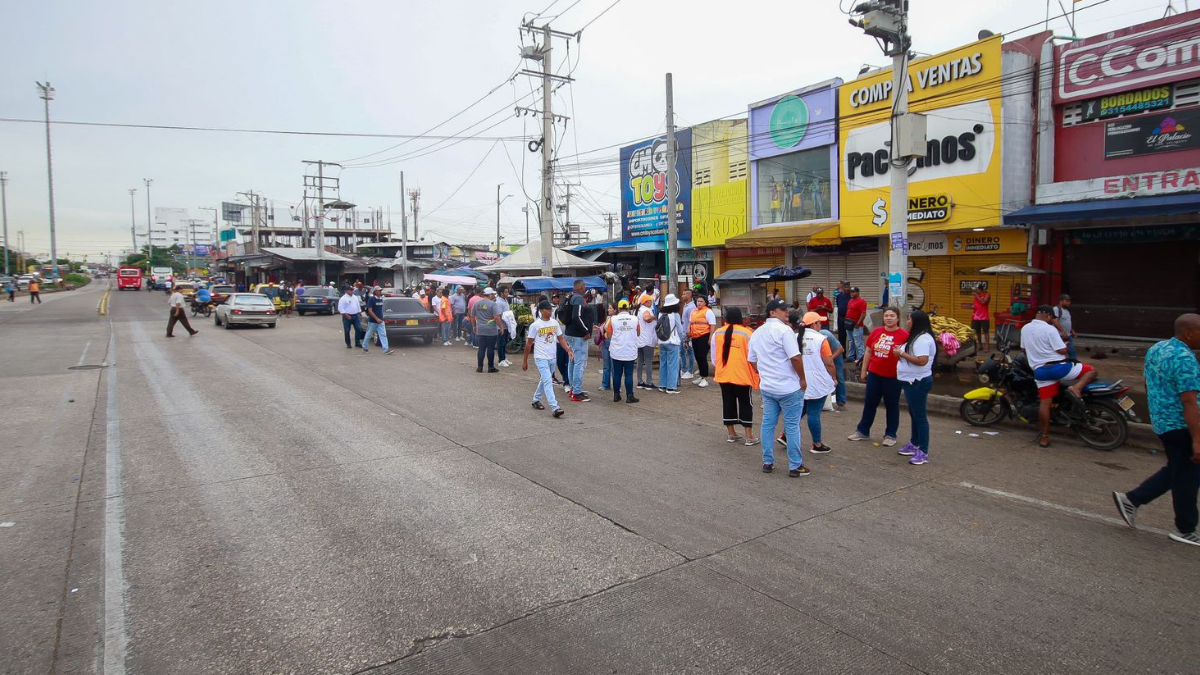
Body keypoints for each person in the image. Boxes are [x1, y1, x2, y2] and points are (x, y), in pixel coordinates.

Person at [1113, 313, 1200, 547]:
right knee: (1187, 475)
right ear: (1189, 333)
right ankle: (1186, 528)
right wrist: (1197, 438)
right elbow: (1189, 401)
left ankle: (1132, 499)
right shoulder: (1184, 358)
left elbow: (1149, 381)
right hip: (1181, 424)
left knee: (1179, 469)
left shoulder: (1158, 348)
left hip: (1162, 421)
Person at [1020, 305, 1098, 448]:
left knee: (1045, 404)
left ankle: (1044, 437)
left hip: (1041, 371)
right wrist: (1065, 344)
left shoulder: (1025, 328)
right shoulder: (1050, 329)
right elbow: (1062, 351)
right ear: (1049, 316)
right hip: (1059, 368)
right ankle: (1076, 389)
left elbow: (1024, 349)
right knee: (1092, 371)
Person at [748, 299, 808, 477]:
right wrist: (803, 378)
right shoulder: (785, 330)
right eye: (782, 309)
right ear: (772, 312)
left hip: (768, 386)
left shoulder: (757, 332)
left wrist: (763, 373)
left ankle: (768, 462)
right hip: (789, 387)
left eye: (786, 309)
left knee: (768, 424)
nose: (786, 312)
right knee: (791, 426)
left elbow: (751, 359)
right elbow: (795, 358)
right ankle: (795, 465)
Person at [848, 306, 908, 446]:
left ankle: (890, 435)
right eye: (886, 315)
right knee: (870, 403)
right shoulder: (876, 332)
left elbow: (907, 356)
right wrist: (864, 371)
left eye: (892, 316)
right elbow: (868, 352)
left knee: (892, 406)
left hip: (893, 377)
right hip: (874, 374)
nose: (888, 318)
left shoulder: (904, 335)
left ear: (898, 318)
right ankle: (862, 431)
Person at [894, 309, 937, 465]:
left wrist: (902, 354)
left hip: (917, 382)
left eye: (909, 319)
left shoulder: (923, 340)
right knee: (914, 414)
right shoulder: (916, 337)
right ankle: (914, 443)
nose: (907, 322)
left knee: (920, 417)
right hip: (909, 381)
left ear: (916, 321)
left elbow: (922, 360)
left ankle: (923, 451)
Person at [714, 307, 760, 445]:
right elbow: (754, 356)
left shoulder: (718, 332)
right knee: (746, 404)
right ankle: (749, 436)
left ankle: (731, 433)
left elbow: (714, 355)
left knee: (728, 402)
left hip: (723, 374)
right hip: (742, 375)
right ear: (741, 317)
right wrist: (758, 371)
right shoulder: (747, 333)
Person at [523, 300, 572, 419]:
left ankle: (536, 399)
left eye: (551, 309)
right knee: (548, 381)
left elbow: (560, 339)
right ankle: (555, 407)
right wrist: (525, 361)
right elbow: (529, 344)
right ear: (541, 310)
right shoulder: (535, 325)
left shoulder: (554, 323)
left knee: (545, 379)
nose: (550, 311)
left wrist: (568, 350)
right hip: (540, 357)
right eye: (548, 309)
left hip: (552, 357)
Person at [563, 279, 594, 402]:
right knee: (579, 363)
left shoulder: (569, 297)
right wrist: (586, 331)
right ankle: (577, 392)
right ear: (581, 287)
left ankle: (573, 389)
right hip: (578, 336)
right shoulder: (579, 299)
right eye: (584, 286)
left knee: (572, 361)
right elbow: (576, 316)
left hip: (569, 334)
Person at [605, 299, 640, 403]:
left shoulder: (613, 319)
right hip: (630, 350)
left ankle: (616, 395)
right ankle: (630, 396)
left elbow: (609, 334)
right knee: (628, 374)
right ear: (628, 308)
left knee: (617, 374)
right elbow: (638, 333)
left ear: (619, 309)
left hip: (617, 350)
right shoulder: (635, 319)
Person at [689, 295, 717, 388]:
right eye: (698, 301)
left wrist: (710, 337)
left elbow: (712, 325)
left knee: (702, 356)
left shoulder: (708, 311)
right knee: (697, 357)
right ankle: (701, 376)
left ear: (705, 303)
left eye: (701, 301)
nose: (699, 303)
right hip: (694, 336)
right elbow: (691, 323)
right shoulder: (694, 311)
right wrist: (688, 331)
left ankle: (705, 378)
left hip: (704, 336)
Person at [472, 287, 501, 373]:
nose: (494, 296)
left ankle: (480, 367)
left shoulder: (476, 303)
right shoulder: (493, 304)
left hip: (480, 329)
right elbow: (496, 317)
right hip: (491, 330)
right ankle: (490, 367)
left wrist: (474, 326)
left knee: (481, 348)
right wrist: (501, 327)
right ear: (490, 294)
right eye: (493, 294)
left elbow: (472, 316)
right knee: (490, 348)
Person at [657, 294, 683, 394]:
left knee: (663, 364)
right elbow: (680, 329)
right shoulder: (675, 314)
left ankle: (662, 385)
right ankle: (671, 387)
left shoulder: (660, 313)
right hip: (673, 341)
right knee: (672, 364)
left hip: (662, 341)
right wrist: (680, 339)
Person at [361, 287, 395, 355]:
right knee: (369, 334)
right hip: (373, 321)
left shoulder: (381, 299)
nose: (380, 291)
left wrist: (381, 318)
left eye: (380, 290)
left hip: (380, 320)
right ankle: (365, 346)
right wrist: (376, 319)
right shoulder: (372, 299)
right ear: (375, 292)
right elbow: (370, 311)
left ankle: (385, 349)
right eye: (379, 290)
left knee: (383, 335)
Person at [635, 293, 658, 391]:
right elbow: (647, 318)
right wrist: (654, 317)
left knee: (640, 361)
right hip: (647, 340)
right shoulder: (646, 310)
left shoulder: (638, 310)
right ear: (646, 302)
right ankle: (649, 382)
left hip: (639, 340)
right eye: (650, 301)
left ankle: (640, 381)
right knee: (648, 362)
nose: (652, 302)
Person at [845, 286, 868, 365]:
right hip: (849, 324)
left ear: (858, 292)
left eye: (854, 292)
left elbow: (863, 313)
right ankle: (851, 356)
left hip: (857, 325)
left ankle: (860, 358)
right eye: (851, 292)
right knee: (851, 341)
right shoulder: (850, 300)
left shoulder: (861, 301)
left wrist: (858, 323)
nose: (852, 293)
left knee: (858, 343)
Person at [1051, 293, 1077, 361]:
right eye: (1067, 301)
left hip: (1067, 335)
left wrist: (1072, 331)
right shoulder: (1056, 309)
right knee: (1062, 352)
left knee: (1071, 351)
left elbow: (1067, 322)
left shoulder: (1067, 311)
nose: (1069, 303)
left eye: (1069, 301)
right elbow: (1055, 321)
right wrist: (1062, 331)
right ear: (1061, 301)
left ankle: (1074, 364)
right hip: (1059, 336)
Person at [598, 303, 615, 392]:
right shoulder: (608, 318)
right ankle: (605, 384)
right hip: (605, 341)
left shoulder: (616, 319)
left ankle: (616, 385)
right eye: (608, 308)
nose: (608, 310)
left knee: (613, 366)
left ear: (615, 310)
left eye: (610, 308)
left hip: (612, 342)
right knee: (606, 364)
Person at [495, 287, 514, 367]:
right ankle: (501, 360)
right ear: (501, 293)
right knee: (501, 343)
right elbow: (498, 315)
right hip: (501, 326)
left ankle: (504, 357)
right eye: (506, 292)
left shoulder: (505, 300)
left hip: (506, 325)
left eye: (507, 292)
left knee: (505, 342)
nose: (507, 294)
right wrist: (501, 327)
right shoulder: (498, 302)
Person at [680, 290, 696, 380]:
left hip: (687, 333)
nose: (682, 296)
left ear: (689, 295)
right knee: (682, 351)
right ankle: (684, 369)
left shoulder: (691, 307)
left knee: (689, 352)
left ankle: (690, 371)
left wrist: (688, 334)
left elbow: (692, 322)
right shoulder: (686, 306)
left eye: (684, 294)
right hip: (683, 331)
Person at [971, 284, 991, 352]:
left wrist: (976, 295)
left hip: (984, 317)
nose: (976, 291)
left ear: (980, 289)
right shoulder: (976, 297)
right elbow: (976, 305)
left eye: (977, 289)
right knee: (977, 332)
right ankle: (980, 345)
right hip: (976, 317)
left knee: (986, 331)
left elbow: (983, 302)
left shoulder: (987, 295)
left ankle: (987, 346)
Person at [835, 280, 852, 350]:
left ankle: (853, 355)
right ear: (842, 287)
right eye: (845, 287)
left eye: (848, 287)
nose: (847, 288)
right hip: (841, 318)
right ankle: (843, 353)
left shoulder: (852, 296)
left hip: (849, 319)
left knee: (851, 337)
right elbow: (839, 305)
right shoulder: (838, 296)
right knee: (841, 336)